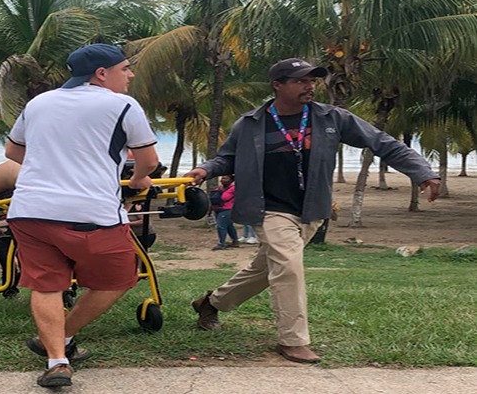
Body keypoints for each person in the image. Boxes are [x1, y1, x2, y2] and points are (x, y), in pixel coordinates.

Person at [185, 58, 440, 364]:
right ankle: (292, 341)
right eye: (300, 81)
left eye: (313, 80)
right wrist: (205, 168)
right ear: (278, 85)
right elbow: (227, 158)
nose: (310, 86)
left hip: (310, 209)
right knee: (289, 267)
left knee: (266, 268)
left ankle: (210, 303)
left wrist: (421, 171)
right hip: (268, 208)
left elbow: (380, 142)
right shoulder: (251, 123)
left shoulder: (331, 118)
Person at [5, 43, 159, 388]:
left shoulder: (39, 102)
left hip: (30, 211)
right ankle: (66, 335)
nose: (130, 75)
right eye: (125, 69)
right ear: (101, 74)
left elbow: (13, 151)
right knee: (118, 279)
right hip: (92, 213)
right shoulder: (122, 105)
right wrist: (136, 180)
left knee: (46, 285)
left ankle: (58, 359)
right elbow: (147, 161)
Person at [210, 175, 239, 250]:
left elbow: (225, 198)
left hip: (227, 209)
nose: (223, 180)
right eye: (222, 178)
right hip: (217, 208)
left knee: (221, 226)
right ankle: (235, 241)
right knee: (229, 226)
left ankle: (221, 243)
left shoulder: (234, 189)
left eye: (225, 178)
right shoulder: (219, 188)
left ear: (231, 180)